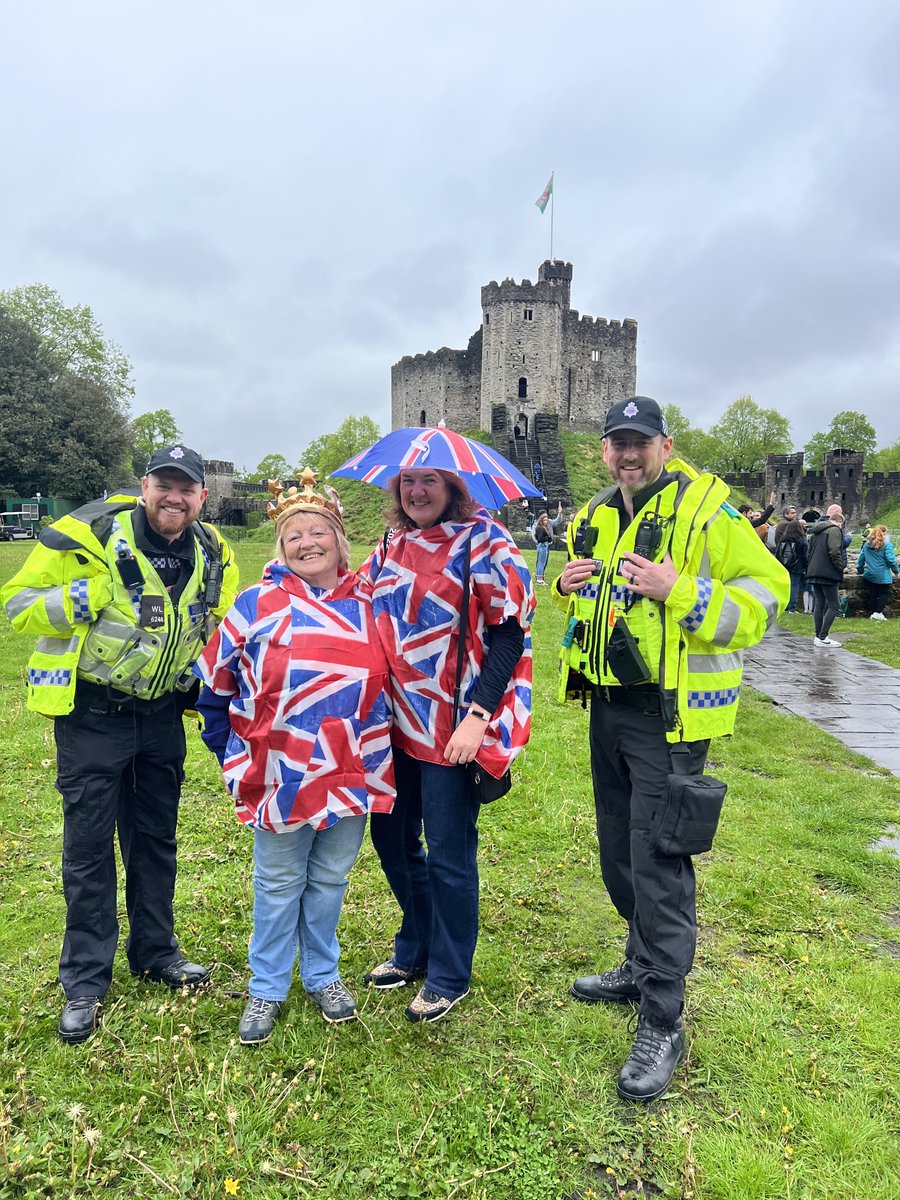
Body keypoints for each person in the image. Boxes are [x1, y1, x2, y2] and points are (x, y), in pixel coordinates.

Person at [553, 396, 788, 1102]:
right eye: (617, 443)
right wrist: (565, 588)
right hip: (608, 708)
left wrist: (681, 590)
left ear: (667, 444)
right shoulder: (596, 514)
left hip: (670, 719)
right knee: (618, 854)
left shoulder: (709, 512)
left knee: (658, 863)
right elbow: (598, 605)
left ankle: (663, 1017)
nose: (628, 454)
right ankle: (639, 963)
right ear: (603, 450)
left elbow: (766, 595)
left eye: (641, 442)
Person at [1, 446, 239, 1044]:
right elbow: (18, 605)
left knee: (155, 840)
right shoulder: (87, 537)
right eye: (165, 485)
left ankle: (155, 952)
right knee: (88, 849)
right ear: (144, 484)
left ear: (202, 497)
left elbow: (219, 627)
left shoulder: (215, 551)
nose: (174, 498)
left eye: (187, 489)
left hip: (162, 716)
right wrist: (85, 597)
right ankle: (85, 979)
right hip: (93, 716)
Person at [193, 471, 395, 1041]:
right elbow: (213, 689)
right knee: (279, 882)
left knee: (330, 877)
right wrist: (235, 758)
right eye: (294, 536)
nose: (307, 543)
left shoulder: (370, 605)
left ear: (339, 539)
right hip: (278, 772)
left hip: (350, 766)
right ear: (280, 547)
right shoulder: (255, 604)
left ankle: (322, 973)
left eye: (317, 531)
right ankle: (267, 985)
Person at [360, 467, 533, 1023]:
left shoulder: (486, 539)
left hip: (452, 726)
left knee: (448, 851)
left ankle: (449, 974)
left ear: (455, 487)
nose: (417, 491)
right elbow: (353, 600)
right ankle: (416, 944)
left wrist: (478, 718)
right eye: (408, 481)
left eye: (431, 481)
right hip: (394, 720)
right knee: (391, 839)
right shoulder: (391, 542)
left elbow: (510, 632)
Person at [806, 511, 845, 646]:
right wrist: (840, 567)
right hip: (828, 572)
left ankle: (818, 636)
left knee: (820, 603)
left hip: (814, 571)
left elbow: (808, 553)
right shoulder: (834, 530)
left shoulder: (815, 532)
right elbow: (834, 551)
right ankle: (823, 636)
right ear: (840, 522)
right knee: (834, 605)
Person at [854, 524, 899, 620]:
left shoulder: (867, 544)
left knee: (873, 593)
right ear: (884, 533)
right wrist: (896, 572)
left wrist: (860, 571)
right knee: (884, 593)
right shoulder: (887, 545)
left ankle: (874, 612)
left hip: (869, 574)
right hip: (882, 575)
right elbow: (891, 560)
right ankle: (878, 612)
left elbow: (860, 560)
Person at [774, 518, 808, 613]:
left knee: (785, 586)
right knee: (794, 586)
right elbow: (805, 555)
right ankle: (792, 608)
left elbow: (778, 553)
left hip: (784, 565)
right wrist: (805, 566)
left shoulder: (783, 539)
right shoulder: (801, 540)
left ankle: (784, 606)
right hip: (797, 566)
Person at [530, 500, 565, 585]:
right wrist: (540, 542)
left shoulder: (548, 522)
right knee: (541, 561)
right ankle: (539, 578)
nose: (547, 520)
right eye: (545, 518)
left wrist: (560, 513)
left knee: (543, 561)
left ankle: (540, 576)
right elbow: (535, 535)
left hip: (546, 544)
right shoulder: (537, 525)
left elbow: (557, 521)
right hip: (542, 544)